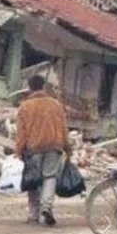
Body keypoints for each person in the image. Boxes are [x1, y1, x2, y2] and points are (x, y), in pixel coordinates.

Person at [14, 75, 71, 226]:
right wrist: (68, 148)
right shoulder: (56, 105)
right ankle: (46, 207)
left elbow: (21, 133)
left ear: (29, 88)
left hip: (33, 147)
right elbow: (64, 128)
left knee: (33, 179)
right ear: (44, 86)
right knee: (50, 177)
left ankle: (33, 214)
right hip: (54, 146)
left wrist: (18, 150)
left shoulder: (25, 107)